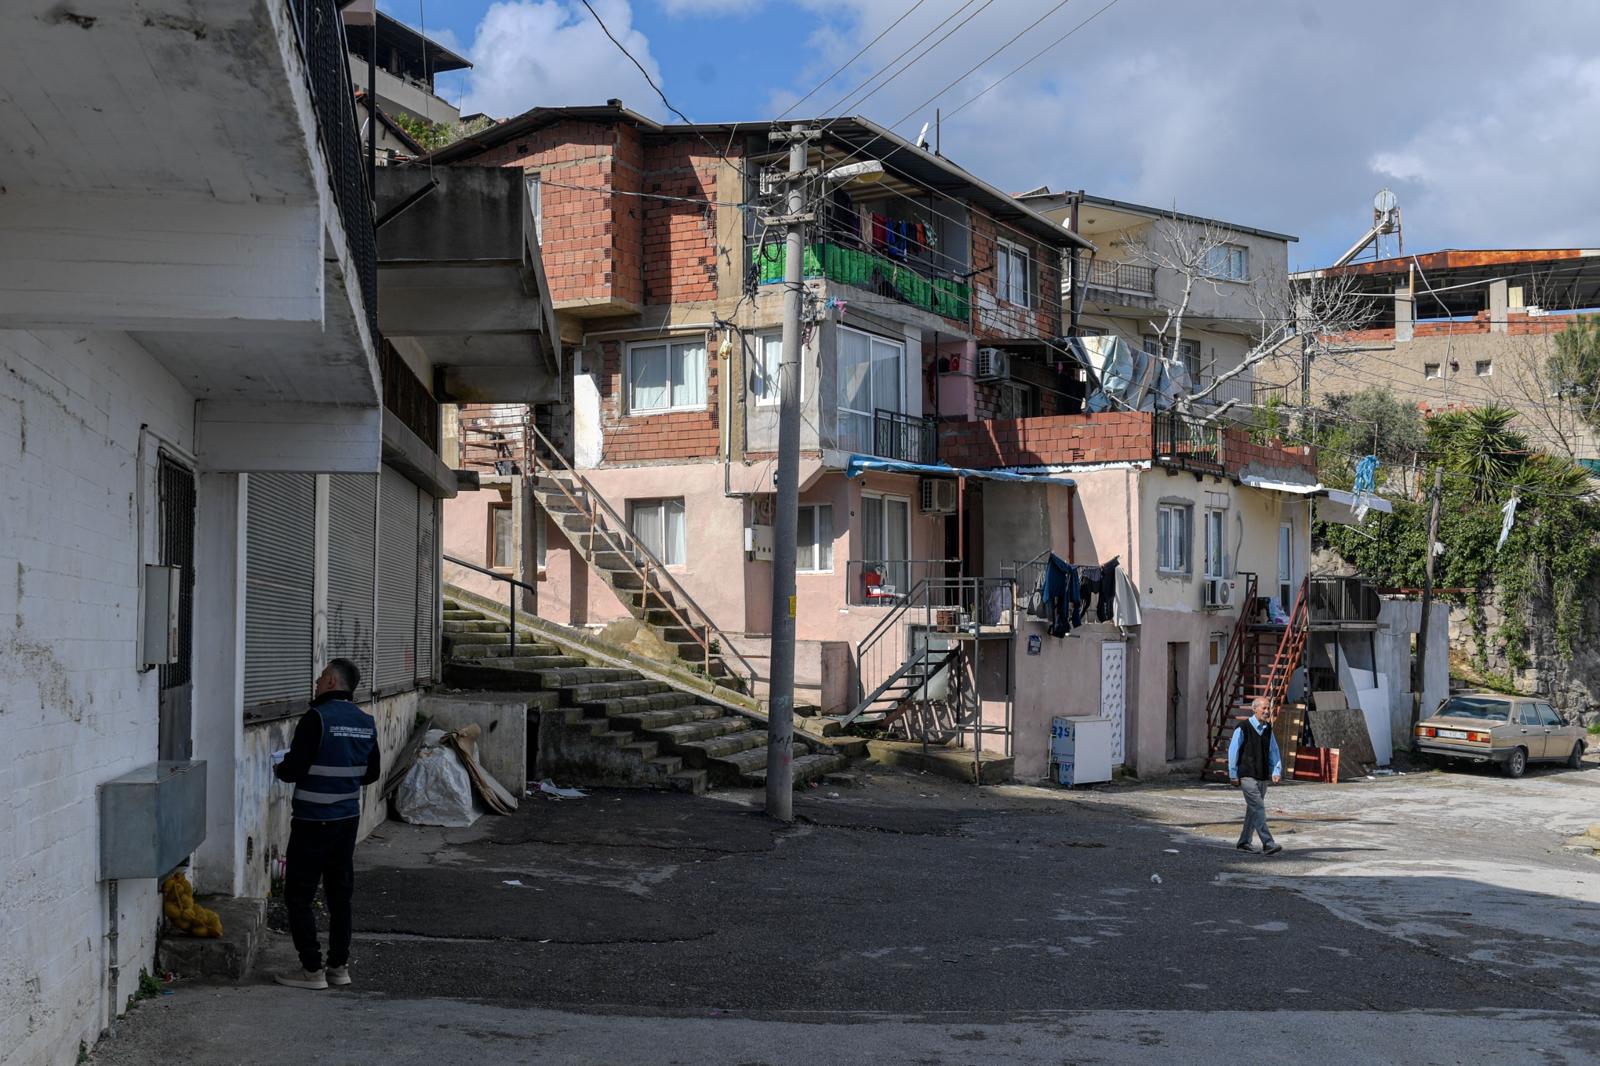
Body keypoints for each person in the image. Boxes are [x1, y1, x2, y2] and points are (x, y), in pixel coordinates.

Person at [272, 658, 380, 990]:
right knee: (339, 895)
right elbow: (372, 774)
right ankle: (338, 967)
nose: (317, 683)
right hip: (347, 821)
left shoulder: (315, 719)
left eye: (321, 678)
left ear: (332, 682)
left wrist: (280, 766)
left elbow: (293, 771)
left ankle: (311, 969)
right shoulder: (365, 722)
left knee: (299, 895)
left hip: (311, 822)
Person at [1228, 695, 1283, 855]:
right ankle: (1268, 843)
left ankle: (1244, 842)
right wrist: (1233, 774)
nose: (1267, 711)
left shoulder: (1267, 729)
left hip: (1262, 776)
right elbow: (1233, 751)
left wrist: (1276, 770)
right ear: (1254, 709)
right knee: (1258, 808)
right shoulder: (1243, 727)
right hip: (1247, 776)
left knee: (1253, 810)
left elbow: (1274, 751)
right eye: (1264, 708)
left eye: (1268, 708)